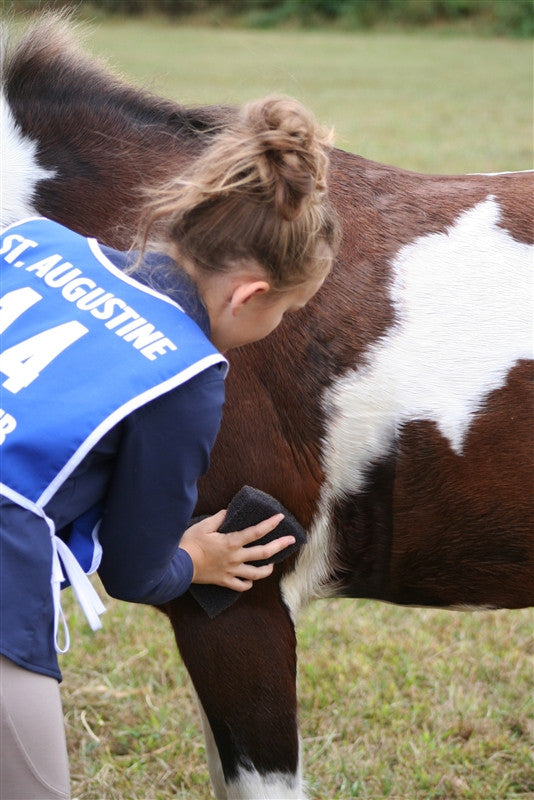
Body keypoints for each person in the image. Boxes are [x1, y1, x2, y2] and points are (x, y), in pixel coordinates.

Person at [0, 95, 340, 800]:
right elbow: (132, 572)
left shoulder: (36, 241)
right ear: (249, 295)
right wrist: (195, 559)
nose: (274, 327)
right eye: (283, 313)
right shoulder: (187, 375)